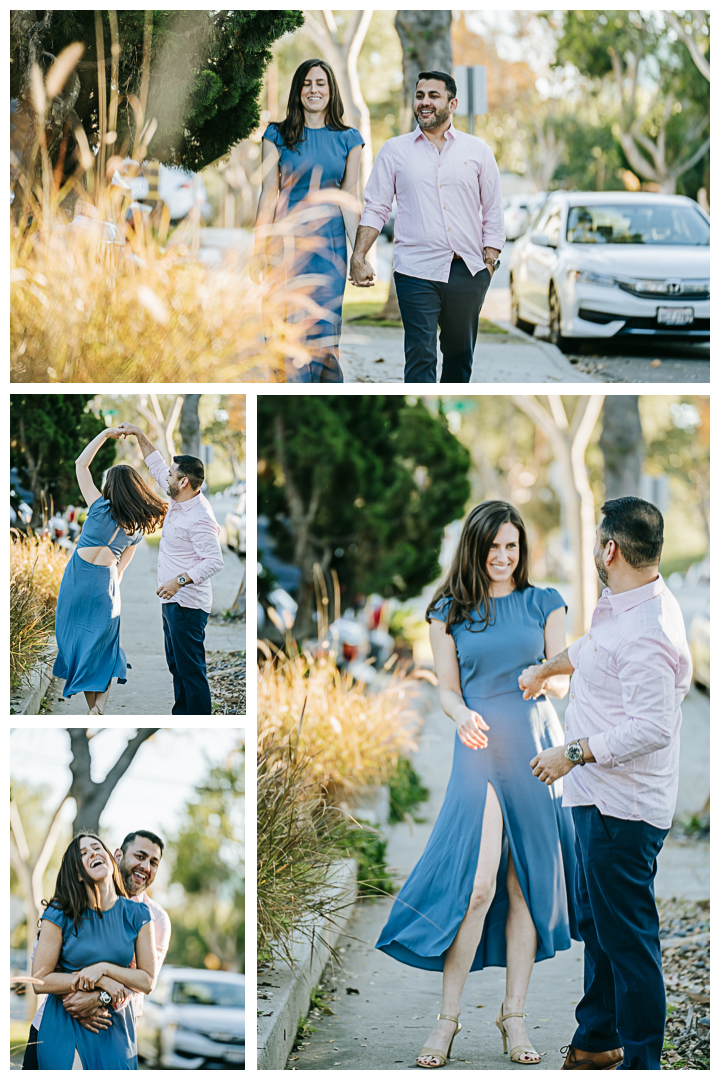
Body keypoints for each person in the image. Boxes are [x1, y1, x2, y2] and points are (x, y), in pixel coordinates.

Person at [376, 501, 579, 1068]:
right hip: (480, 750)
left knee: (525, 888)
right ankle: (447, 1021)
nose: (504, 557)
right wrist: (459, 714)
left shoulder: (546, 602)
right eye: (494, 547)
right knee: (479, 886)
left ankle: (514, 1017)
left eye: (512, 547)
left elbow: (562, 682)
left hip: (536, 749)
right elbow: (445, 688)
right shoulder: (449, 610)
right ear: (475, 547)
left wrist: (545, 680)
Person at [520, 497, 692, 1071]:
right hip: (595, 799)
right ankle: (596, 1039)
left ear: (610, 549)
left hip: (625, 810)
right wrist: (548, 669)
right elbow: (595, 653)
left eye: (598, 540)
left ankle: (642, 1063)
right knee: (600, 924)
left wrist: (571, 753)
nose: (596, 548)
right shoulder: (622, 603)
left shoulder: (650, 629)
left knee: (629, 940)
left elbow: (651, 729)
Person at [350, 71, 505, 383]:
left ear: (452, 103)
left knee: (460, 358)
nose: (425, 102)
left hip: (467, 271)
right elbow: (377, 206)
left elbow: (493, 211)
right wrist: (359, 255)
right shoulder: (395, 151)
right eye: (420, 96)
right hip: (415, 271)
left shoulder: (477, 151)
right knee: (421, 355)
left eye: (434, 96)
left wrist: (488, 264)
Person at [251, 58, 364, 383]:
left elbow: (349, 200)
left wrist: (358, 256)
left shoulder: (350, 139)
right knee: (283, 333)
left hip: (329, 252)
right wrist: (258, 250)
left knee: (324, 333)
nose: (313, 90)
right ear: (298, 90)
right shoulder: (276, 135)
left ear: (331, 91)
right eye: (307, 83)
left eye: (321, 84)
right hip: (283, 250)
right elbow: (268, 195)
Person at [22, 830, 171, 1070]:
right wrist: (90, 989)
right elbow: (42, 974)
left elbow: (143, 981)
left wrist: (100, 987)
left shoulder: (152, 918)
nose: (145, 866)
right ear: (118, 856)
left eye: (153, 862)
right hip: (61, 1020)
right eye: (140, 856)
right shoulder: (62, 911)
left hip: (113, 1027)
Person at [52, 429, 167, 715]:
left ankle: (94, 707)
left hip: (77, 580)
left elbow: (81, 464)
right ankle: (98, 707)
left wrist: (105, 433)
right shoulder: (136, 530)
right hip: (106, 587)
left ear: (110, 488)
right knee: (102, 648)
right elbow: (120, 571)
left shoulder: (97, 507)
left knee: (77, 642)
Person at [116, 424, 223, 715]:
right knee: (177, 666)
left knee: (191, 671)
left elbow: (215, 561)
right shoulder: (179, 497)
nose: (167, 477)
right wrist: (138, 433)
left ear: (185, 481)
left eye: (172, 476)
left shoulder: (199, 517)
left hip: (188, 605)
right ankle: (182, 714)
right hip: (171, 602)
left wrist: (179, 581)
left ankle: (198, 718)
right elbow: (155, 462)